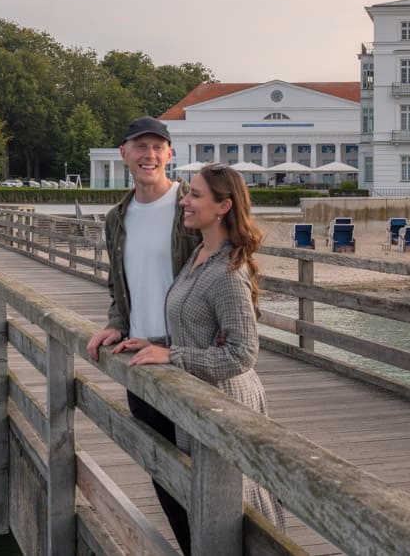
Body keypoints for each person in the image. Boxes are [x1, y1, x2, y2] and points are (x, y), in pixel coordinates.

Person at [112, 163, 287, 538]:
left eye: (194, 194)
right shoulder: (198, 256)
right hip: (200, 399)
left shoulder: (227, 272)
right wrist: (158, 343)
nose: (184, 202)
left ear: (223, 206)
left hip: (225, 401)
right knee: (204, 509)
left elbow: (242, 354)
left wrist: (173, 356)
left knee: (234, 516)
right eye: (187, 193)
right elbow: (197, 327)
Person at [86, 116, 200, 554]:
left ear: (170, 154)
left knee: (205, 472)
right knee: (163, 472)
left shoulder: (190, 208)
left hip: (186, 360)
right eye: (140, 147)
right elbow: (119, 284)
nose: (148, 155)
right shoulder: (117, 217)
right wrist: (116, 323)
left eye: (157, 147)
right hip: (140, 360)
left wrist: (174, 347)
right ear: (124, 154)